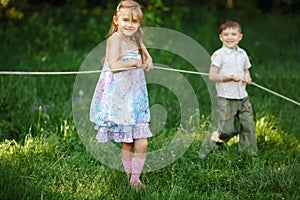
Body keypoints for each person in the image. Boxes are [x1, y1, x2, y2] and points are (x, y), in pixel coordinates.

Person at [89, 0, 153, 189]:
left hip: (136, 97)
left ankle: (134, 178)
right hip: (120, 97)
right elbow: (114, 65)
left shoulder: (135, 38)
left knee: (142, 142)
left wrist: (148, 60)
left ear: (139, 24)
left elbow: (145, 54)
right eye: (125, 20)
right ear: (116, 20)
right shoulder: (114, 39)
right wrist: (133, 64)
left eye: (134, 21)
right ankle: (132, 180)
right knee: (127, 142)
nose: (129, 24)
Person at [209, 20, 258, 156]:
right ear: (221, 37)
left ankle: (248, 153)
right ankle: (217, 138)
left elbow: (246, 69)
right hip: (226, 97)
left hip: (242, 96)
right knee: (227, 129)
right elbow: (212, 76)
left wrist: (247, 76)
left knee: (248, 125)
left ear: (240, 37)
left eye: (233, 34)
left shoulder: (242, 53)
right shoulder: (219, 55)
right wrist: (228, 78)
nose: (230, 37)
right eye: (226, 34)